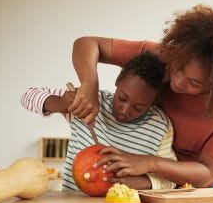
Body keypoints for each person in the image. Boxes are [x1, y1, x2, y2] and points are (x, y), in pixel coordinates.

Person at [70, 4, 213, 188]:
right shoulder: (157, 56)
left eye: (194, 83)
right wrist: (89, 84)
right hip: (152, 178)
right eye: (178, 67)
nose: (177, 82)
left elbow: (207, 172)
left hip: (206, 185)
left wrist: (150, 163)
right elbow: (87, 43)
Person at [21, 52, 176, 190]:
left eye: (139, 107)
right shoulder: (90, 102)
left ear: (153, 102)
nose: (125, 110)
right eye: (122, 98)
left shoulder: (160, 126)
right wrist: (60, 103)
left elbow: (172, 179)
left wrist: (143, 182)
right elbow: (27, 97)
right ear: (117, 82)